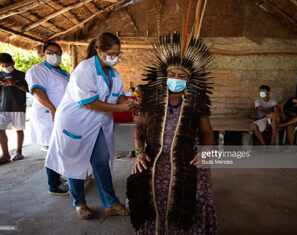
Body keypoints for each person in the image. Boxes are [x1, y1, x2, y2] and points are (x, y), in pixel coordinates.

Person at [126, 33, 217, 234]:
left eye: (181, 76)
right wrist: (140, 152)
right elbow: (139, 129)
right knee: (145, 191)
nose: (175, 79)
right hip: (156, 156)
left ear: (189, 79)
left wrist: (206, 152)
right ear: (164, 75)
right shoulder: (152, 102)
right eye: (172, 74)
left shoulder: (196, 103)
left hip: (186, 158)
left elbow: (207, 132)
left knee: (197, 194)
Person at [45, 32, 137, 220]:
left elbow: (118, 94)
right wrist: (118, 107)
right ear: (99, 51)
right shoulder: (85, 70)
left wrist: (126, 102)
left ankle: (110, 203)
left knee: (101, 162)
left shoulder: (113, 73)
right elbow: (89, 102)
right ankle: (80, 203)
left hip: (98, 124)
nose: (115, 58)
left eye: (118, 54)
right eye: (112, 53)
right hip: (75, 124)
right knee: (75, 163)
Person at [26, 41, 69, 195]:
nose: (55, 55)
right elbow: (37, 91)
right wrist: (52, 109)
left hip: (62, 115)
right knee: (54, 149)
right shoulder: (37, 70)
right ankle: (54, 185)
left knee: (60, 148)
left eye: (58, 53)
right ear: (44, 54)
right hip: (48, 115)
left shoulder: (63, 72)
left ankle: (59, 178)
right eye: (50, 52)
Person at [0, 53, 28, 164]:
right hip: (3, 106)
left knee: (19, 130)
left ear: (13, 63)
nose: (4, 68)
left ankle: (19, 152)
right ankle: (5, 154)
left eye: (6, 65)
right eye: (2, 66)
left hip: (18, 106)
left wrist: (15, 84)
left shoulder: (22, 75)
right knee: (0, 129)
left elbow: (28, 89)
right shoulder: (0, 75)